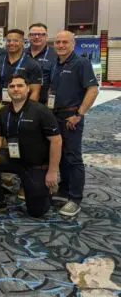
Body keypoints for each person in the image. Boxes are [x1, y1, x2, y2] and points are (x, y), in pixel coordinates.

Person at [0, 74, 62, 217]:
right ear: (7, 90)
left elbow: (56, 141)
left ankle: (45, 191)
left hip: (36, 164)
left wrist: (53, 171)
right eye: (12, 86)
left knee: (37, 212)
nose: (15, 89)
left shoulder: (41, 111)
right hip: (13, 158)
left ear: (28, 89)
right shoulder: (3, 112)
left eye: (20, 86)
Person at [49, 30, 99, 217]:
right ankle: (64, 190)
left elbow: (92, 90)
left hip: (72, 117)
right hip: (55, 115)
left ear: (73, 44)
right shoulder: (55, 64)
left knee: (73, 157)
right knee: (59, 154)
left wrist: (79, 114)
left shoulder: (81, 63)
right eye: (58, 42)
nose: (61, 45)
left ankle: (75, 198)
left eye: (65, 42)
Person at [0, 29, 42, 112]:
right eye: (8, 40)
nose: (11, 43)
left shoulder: (33, 64)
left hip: (22, 108)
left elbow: (35, 91)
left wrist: (27, 111)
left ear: (23, 43)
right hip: (0, 106)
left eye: (15, 40)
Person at [26, 23, 58, 105]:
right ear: (28, 36)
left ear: (46, 36)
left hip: (44, 104)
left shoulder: (55, 55)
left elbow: (55, 84)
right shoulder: (21, 54)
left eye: (41, 34)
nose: (37, 37)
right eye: (33, 34)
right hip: (20, 101)